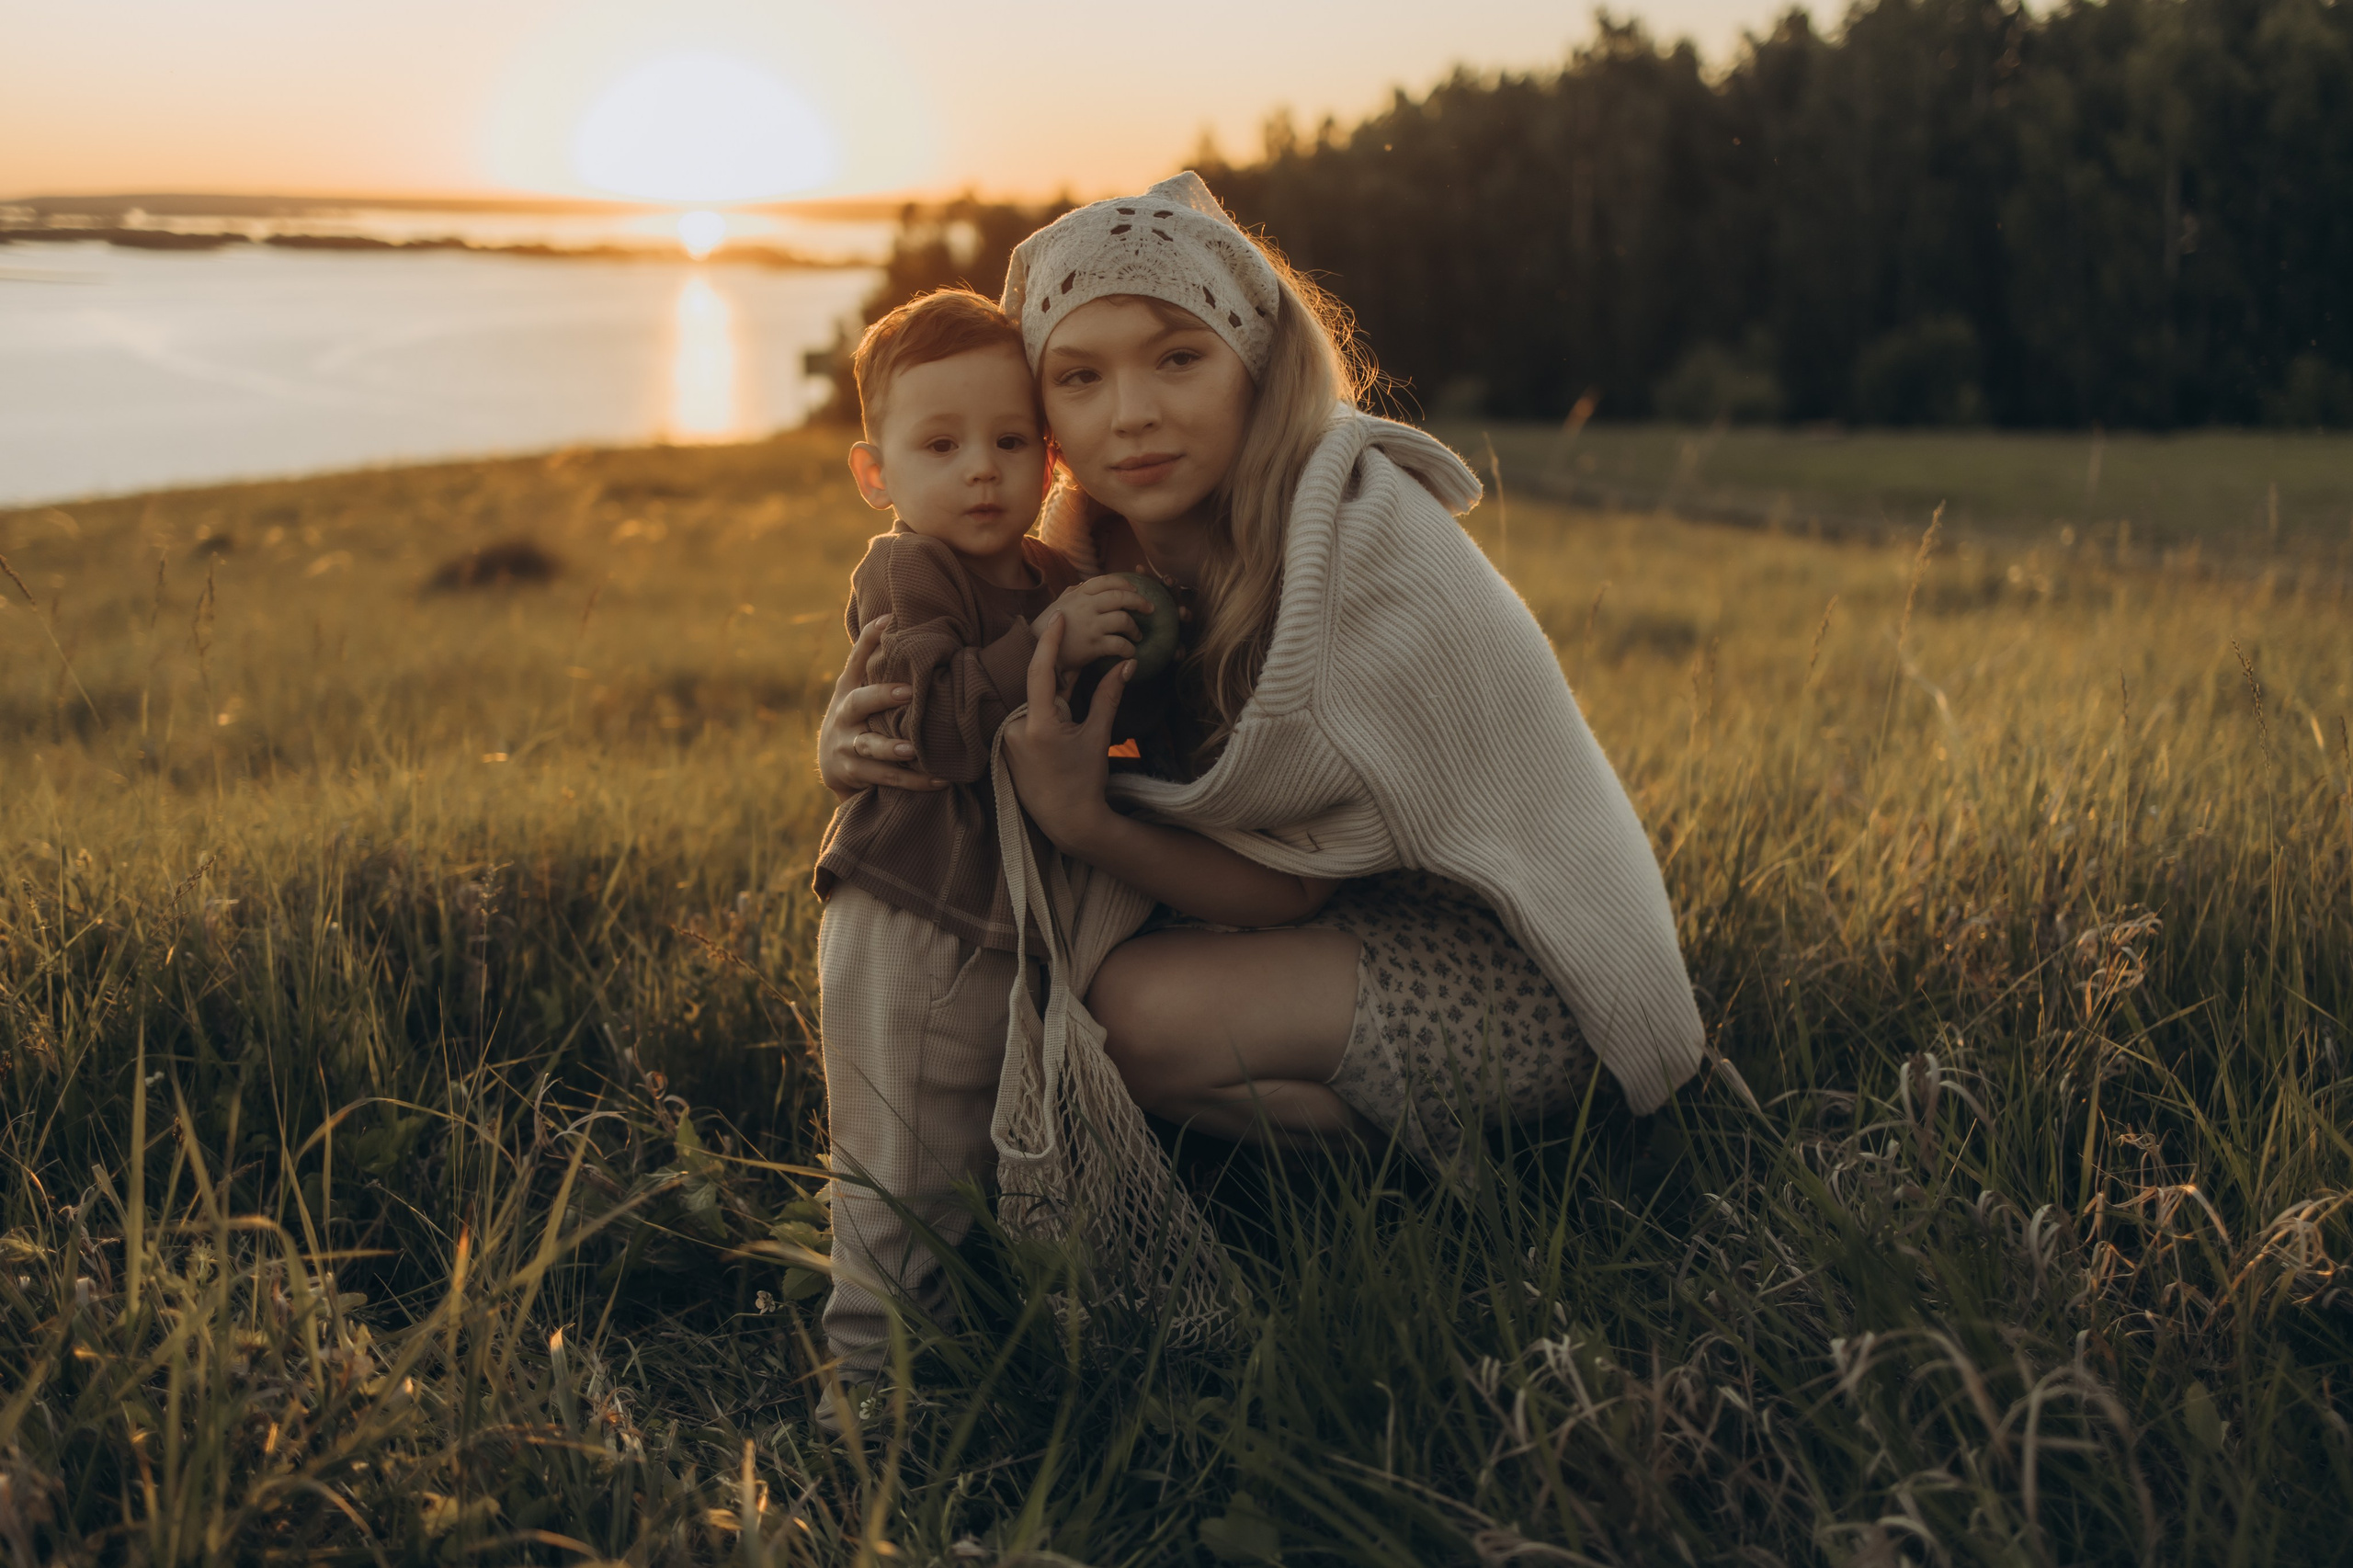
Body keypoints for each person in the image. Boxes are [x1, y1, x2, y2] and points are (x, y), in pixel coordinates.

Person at [817, 174, 1708, 1331]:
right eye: (1079, 378)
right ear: (1050, 426)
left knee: (1125, 1012)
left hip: (1516, 968)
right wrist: (861, 731)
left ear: (1253, 363)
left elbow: (1288, 880)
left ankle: (1457, 1177)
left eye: (1176, 358)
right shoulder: (1092, 548)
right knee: (1072, 986)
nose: (1129, 413)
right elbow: (982, 695)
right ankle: (1262, 1157)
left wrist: (1090, 820)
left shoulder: (1362, 540)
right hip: (1316, 933)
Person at [810, 287, 1154, 1390]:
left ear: (1050, 456)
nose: (981, 469)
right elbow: (943, 727)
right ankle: (867, 1399)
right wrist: (1051, 641)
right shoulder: (907, 572)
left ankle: (960, 1356)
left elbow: (1093, 733)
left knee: (973, 1151)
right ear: (878, 472)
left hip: (1005, 920)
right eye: (942, 443)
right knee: (898, 1159)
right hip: (906, 911)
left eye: (1011, 441)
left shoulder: (1055, 578)